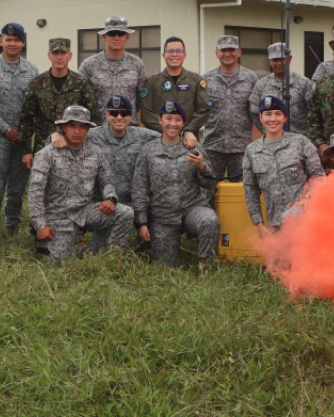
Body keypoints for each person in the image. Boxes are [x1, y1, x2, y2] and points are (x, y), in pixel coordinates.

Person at [28, 106, 134, 260]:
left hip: (84, 212)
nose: (77, 131)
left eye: (82, 127)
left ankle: (111, 256)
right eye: (72, 126)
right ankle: (77, 250)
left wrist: (110, 198)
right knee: (58, 262)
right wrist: (40, 225)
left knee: (125, 212)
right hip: (58, 215)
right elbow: (35, 192)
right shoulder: (46, 155)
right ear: (64, 127)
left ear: (88, 129)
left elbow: (107, 179)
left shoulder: (94, 152)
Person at [132, 101, 220, 266]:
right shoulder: (149, 151)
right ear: (160, 120)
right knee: (165, 266)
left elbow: (210, 185)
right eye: (169, 118)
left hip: (191, 208)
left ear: (183, 123)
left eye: (178, 119)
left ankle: (207, 267)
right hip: (163, 216)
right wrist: (141, 223)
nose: (173, 123)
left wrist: (201, 166)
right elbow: (139, 188)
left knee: (209, 220)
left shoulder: (193, 147)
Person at [0, 22, 38, 239]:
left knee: (17, 189)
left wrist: (23, 135)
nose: (12, 43)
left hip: (23, 140)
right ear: (1, 41)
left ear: (22, 43)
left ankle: (12, 232)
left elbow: (34, 105)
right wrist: (6, 130)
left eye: (17, 40)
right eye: (8, 39)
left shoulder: (31, 70)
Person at [242, 95, 324, 234]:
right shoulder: (252, 151)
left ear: (285, 118)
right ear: (261, 117)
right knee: (276, 256)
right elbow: (251, 190)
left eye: (278, 114)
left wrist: (308, 198)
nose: (273, 119)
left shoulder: (300, 143)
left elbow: (319, 175)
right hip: (275, 223)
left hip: (304, 220)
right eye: (268, 114)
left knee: (299, 254)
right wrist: (259, 225)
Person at [19, 38, 100, 168]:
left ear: (70, 55)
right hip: (43, 148)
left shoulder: (81, 84)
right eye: (55, 53)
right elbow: (26, 120)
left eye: (63, 53)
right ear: (49, 56)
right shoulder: (37, 84)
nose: (59, 57)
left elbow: (94, 118)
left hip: (74, 148)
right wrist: (26, 151)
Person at [200, 35, 259, 181]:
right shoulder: (206, 79)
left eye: (231, 49)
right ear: (216, 53)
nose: (227, 53)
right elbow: (199, 110)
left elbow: (256, 112)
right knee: (209, 191)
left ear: (239, 52)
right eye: (223, 49)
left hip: (241, 148)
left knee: (241, 192)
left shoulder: (250, 78)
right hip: (213, 145)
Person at [137, 36, 210, 141]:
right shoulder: (152, 82)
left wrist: (188, 130)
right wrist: (169, 131)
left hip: (188, 141)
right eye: (170, 51)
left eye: (179, 51)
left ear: (184, 55)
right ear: (164, 55)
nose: (174, 54)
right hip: (159, 141)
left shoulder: (195, 80)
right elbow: (146, 114)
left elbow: (204, 109)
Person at [79, 16, 148, 116]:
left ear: (127, 37)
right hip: (100, 127)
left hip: (129, 126)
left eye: (121, 34)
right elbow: (80, 96)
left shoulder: (137, 64)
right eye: (112, 34)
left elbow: (143, 98)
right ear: (104, 37)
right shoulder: (89, 65)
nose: (116, 38)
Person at [248, 42, 316, 135]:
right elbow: (254, 112)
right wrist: (266, 130)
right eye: (275, 59)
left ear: (290, 58)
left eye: (282, 59)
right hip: (272, 141)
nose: (279, 63)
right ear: (269, 61)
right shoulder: (261, 85)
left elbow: (315, 112)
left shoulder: (304, 83)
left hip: (298, 141)